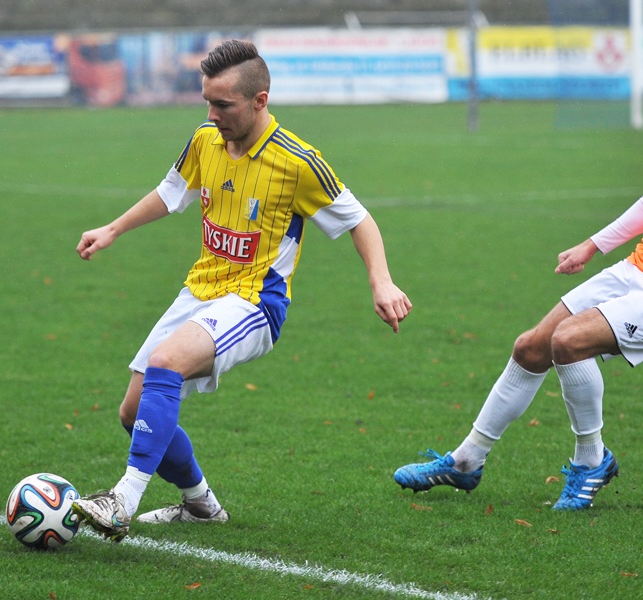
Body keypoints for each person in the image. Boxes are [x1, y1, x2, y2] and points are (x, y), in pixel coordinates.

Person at [394, 16, 643, 511]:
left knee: (568, 343)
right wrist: (594, 245)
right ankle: (466, 462)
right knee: (530, 347)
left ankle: (591, 462)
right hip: (641, 268)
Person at [72, 39, 412, 541]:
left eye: (224, 105)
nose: (213, 114)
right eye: (207, 101)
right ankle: (201, 505)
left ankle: (123, 499)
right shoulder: (205, 139)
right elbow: (172, 192)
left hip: (255, 301)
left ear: (260, 100)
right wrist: (114, 229)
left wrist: (381, 281)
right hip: (201, 288)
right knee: (133, 412)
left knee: (166, 364)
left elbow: (359, 219)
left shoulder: (298, 162)